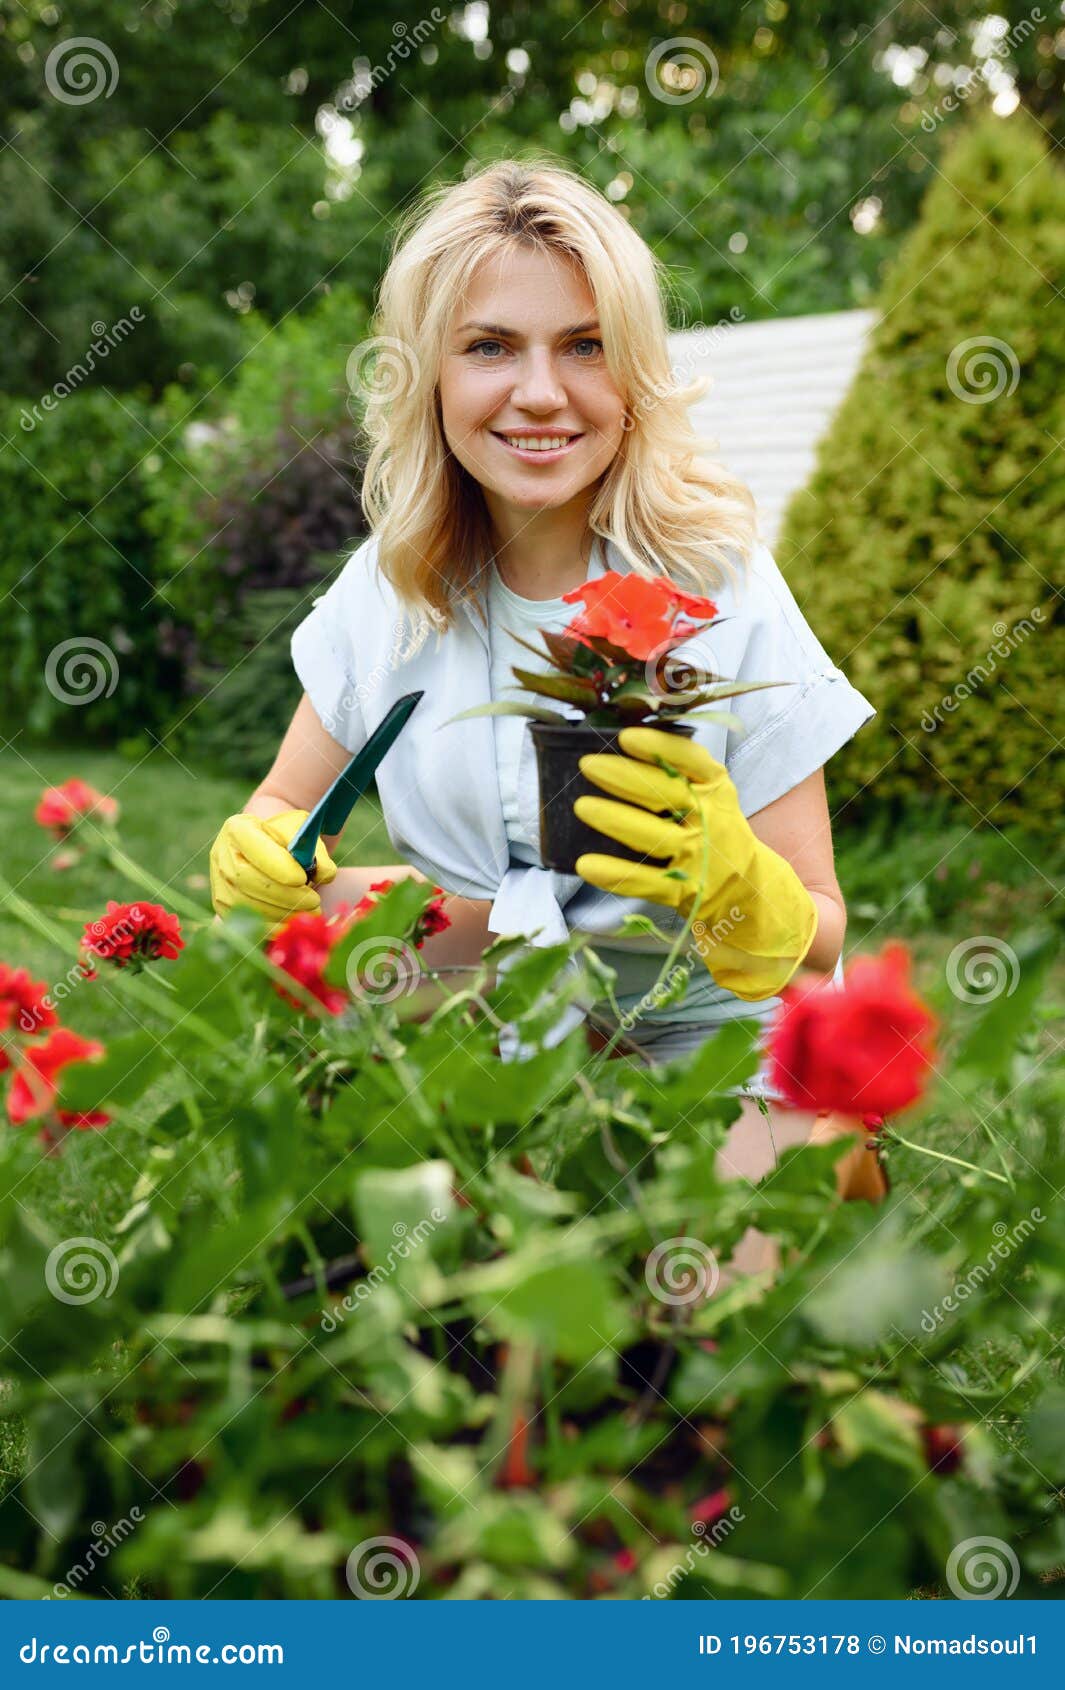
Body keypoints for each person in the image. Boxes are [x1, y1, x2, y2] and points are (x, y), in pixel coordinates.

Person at [209, 158, 882, 1229]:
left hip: (714, 1029)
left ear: (634, 373)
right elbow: (279, 828)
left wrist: (744, 891)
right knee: (422, 1319)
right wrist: (265, 859)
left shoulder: (719, 581)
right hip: (482, 1019)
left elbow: (823, 934)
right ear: (427, 372)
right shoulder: (387, 593)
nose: (539, 392)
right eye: (489, 347)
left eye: (584, 345)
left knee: (715, 1344)